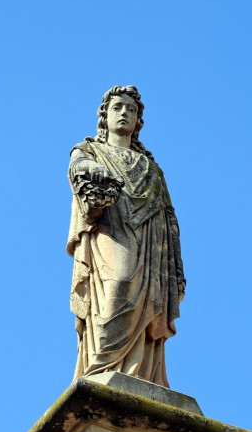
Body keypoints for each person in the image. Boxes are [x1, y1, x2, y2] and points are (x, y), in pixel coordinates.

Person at [67, 85, 186, 388]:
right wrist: (93, 170)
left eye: (131, 110)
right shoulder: (90, 151)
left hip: (148, 239)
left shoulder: (151, 167)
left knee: (147, 303)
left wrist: (175, 267)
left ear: (138, 122)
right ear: (104, 116)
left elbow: (168, 216)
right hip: (111, 229)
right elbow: (78, 168)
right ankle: (100, 368)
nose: (125, 113)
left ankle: (140, 374)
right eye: (118, 107)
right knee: (118, 285)